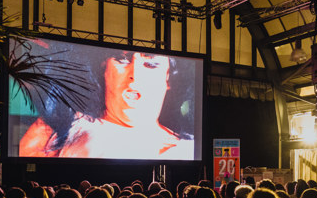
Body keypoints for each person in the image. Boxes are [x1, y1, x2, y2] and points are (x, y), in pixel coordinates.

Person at [19, 50, 193, 160]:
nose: (135, 74)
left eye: (150, 64)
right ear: (104, 68)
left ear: (168, 77)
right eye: (122, 60)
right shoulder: (62, 127)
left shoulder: (184, 148)